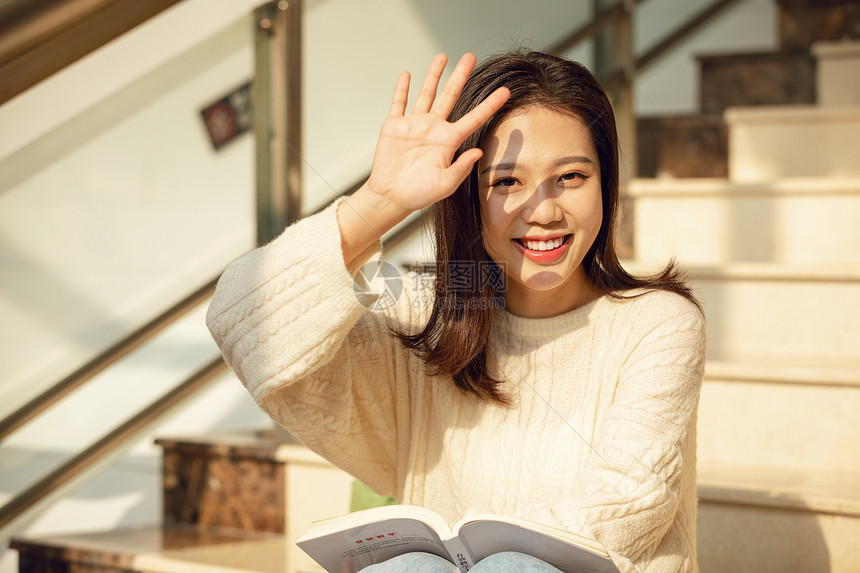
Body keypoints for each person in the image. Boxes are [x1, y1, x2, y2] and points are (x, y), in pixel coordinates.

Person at [206, 51, 706, 573]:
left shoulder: (657, 323)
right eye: (506, 182)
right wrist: (380, 202)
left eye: (571, 176)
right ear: (467, 196)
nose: (543, 211)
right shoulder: (426, 319)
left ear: (606, 184)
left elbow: (627, 506)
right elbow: (241, 321)